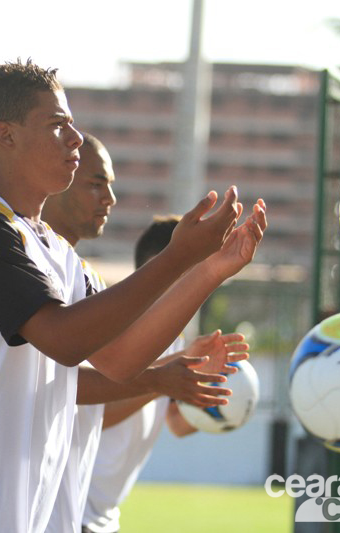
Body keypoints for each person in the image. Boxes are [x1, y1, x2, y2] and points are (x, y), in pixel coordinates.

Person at [0, 58, 266, 532]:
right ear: (7, 135)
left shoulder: (61, 254)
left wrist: (209, 270)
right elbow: (63, 340)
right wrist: (178, 257)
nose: (76, 138)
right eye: (58, 124)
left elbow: (120, 360)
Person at [41, 134, 249, 533]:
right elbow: (81, 405)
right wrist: (162, 378)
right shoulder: (109, 319)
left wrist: (227, 402)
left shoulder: (168, 340)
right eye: (182, 267)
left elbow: (177, 423)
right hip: (70, 511)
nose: (110, 198)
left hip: (96, 517)